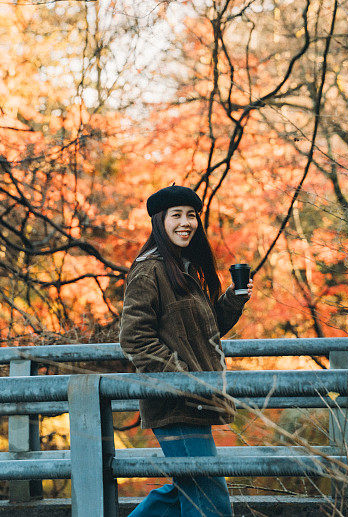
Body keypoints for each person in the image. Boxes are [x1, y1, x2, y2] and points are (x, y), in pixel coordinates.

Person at [120, 184, 253, 517]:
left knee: (186, 493)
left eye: (191, 215)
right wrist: (181, 379)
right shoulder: (150, 270)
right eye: (176, 215)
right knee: (210, 500)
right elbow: (134, 337)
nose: (186, 222)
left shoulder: (182, 268)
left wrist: (234, 299)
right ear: (160, 222)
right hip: (176, 403)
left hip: (194, 401)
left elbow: (201, 336)